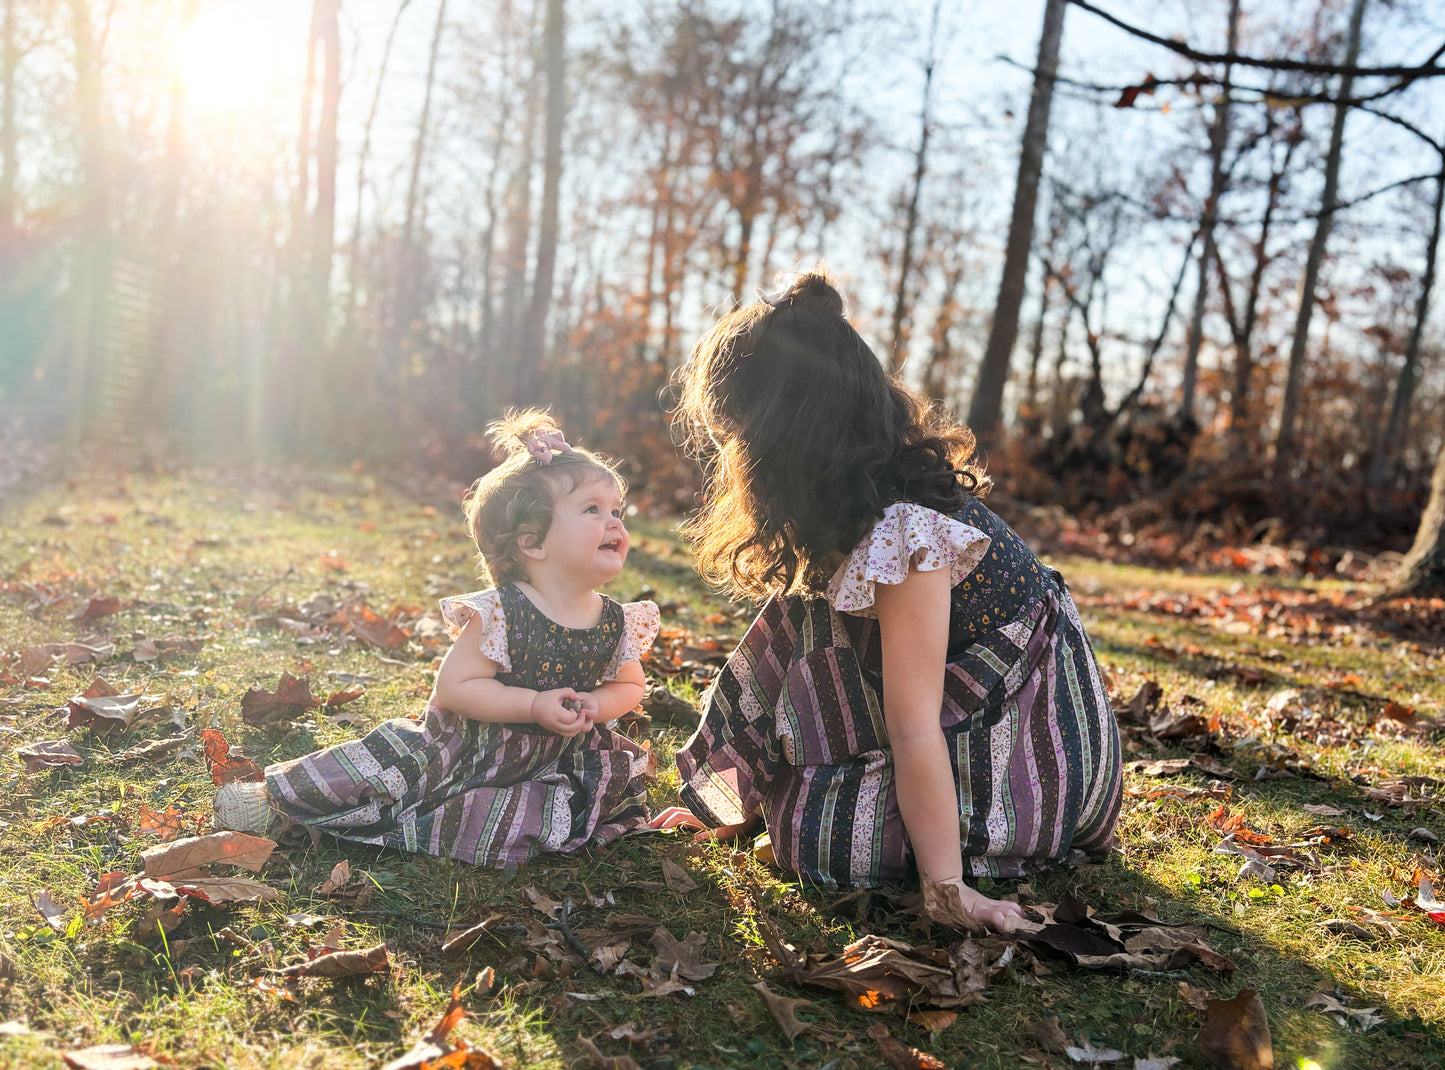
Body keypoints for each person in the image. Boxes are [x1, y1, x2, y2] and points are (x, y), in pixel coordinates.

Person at [651, 272, 1122, 933]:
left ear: (777, 446)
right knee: (796, 615)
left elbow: (912, 725)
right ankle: (743, 790)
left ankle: (936, 849)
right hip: (942, 699)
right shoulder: (859, 507)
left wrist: (947, 889)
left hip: (1020, 726)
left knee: (822, 841)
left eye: (737, 443)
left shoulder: (909, 534)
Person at [214, 410, 660, 869]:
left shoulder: (614, 620)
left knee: (529, 814)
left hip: (556, 759)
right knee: (386, 772)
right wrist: (532, 706)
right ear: (533, 543)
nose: (615, 524)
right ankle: (275, 800)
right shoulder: (504, 611)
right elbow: (456, 687)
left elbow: (629, 686)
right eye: (592, 510)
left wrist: (596, 707)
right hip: (468, 747)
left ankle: (470, 824)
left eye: (616, 511)